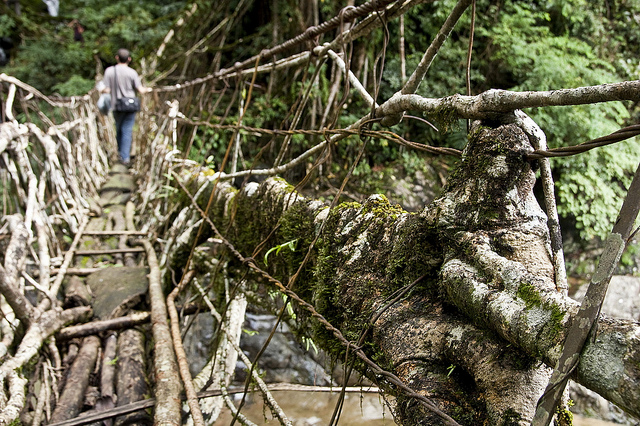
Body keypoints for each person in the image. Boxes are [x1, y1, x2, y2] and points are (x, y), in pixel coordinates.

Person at [102, 48, 151, 165]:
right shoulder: (132, 73)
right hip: (130, 105)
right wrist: (149, 89)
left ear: (117, 58)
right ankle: (125, 157)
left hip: (116, 105)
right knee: (127, 130)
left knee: (119, 129)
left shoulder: (109, 71)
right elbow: (140, 89)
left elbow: (106, 89)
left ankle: (121, 153)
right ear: (129, 59)